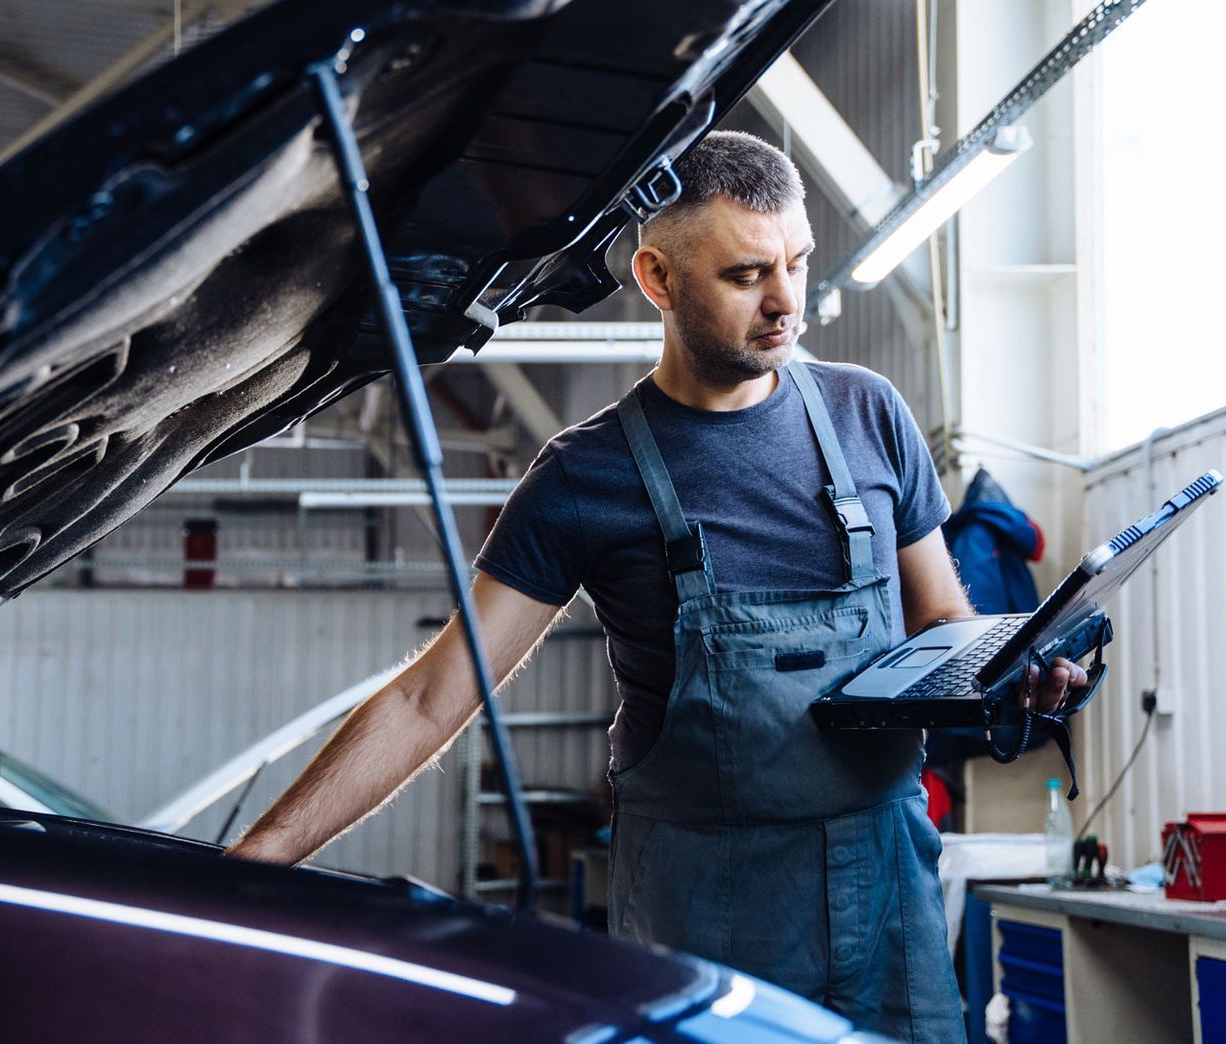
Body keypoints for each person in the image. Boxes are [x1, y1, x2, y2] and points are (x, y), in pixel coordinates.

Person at [226, 130, 1088, 1041]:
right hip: (705, 911)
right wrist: (262, 856)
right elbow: (431, 699)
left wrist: (1010, 671)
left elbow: (943, 623)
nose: (786, 300)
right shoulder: (582, 478)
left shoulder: (868, 413)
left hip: (889, 895)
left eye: (797, 262)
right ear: (658, 279)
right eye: (747, 274)